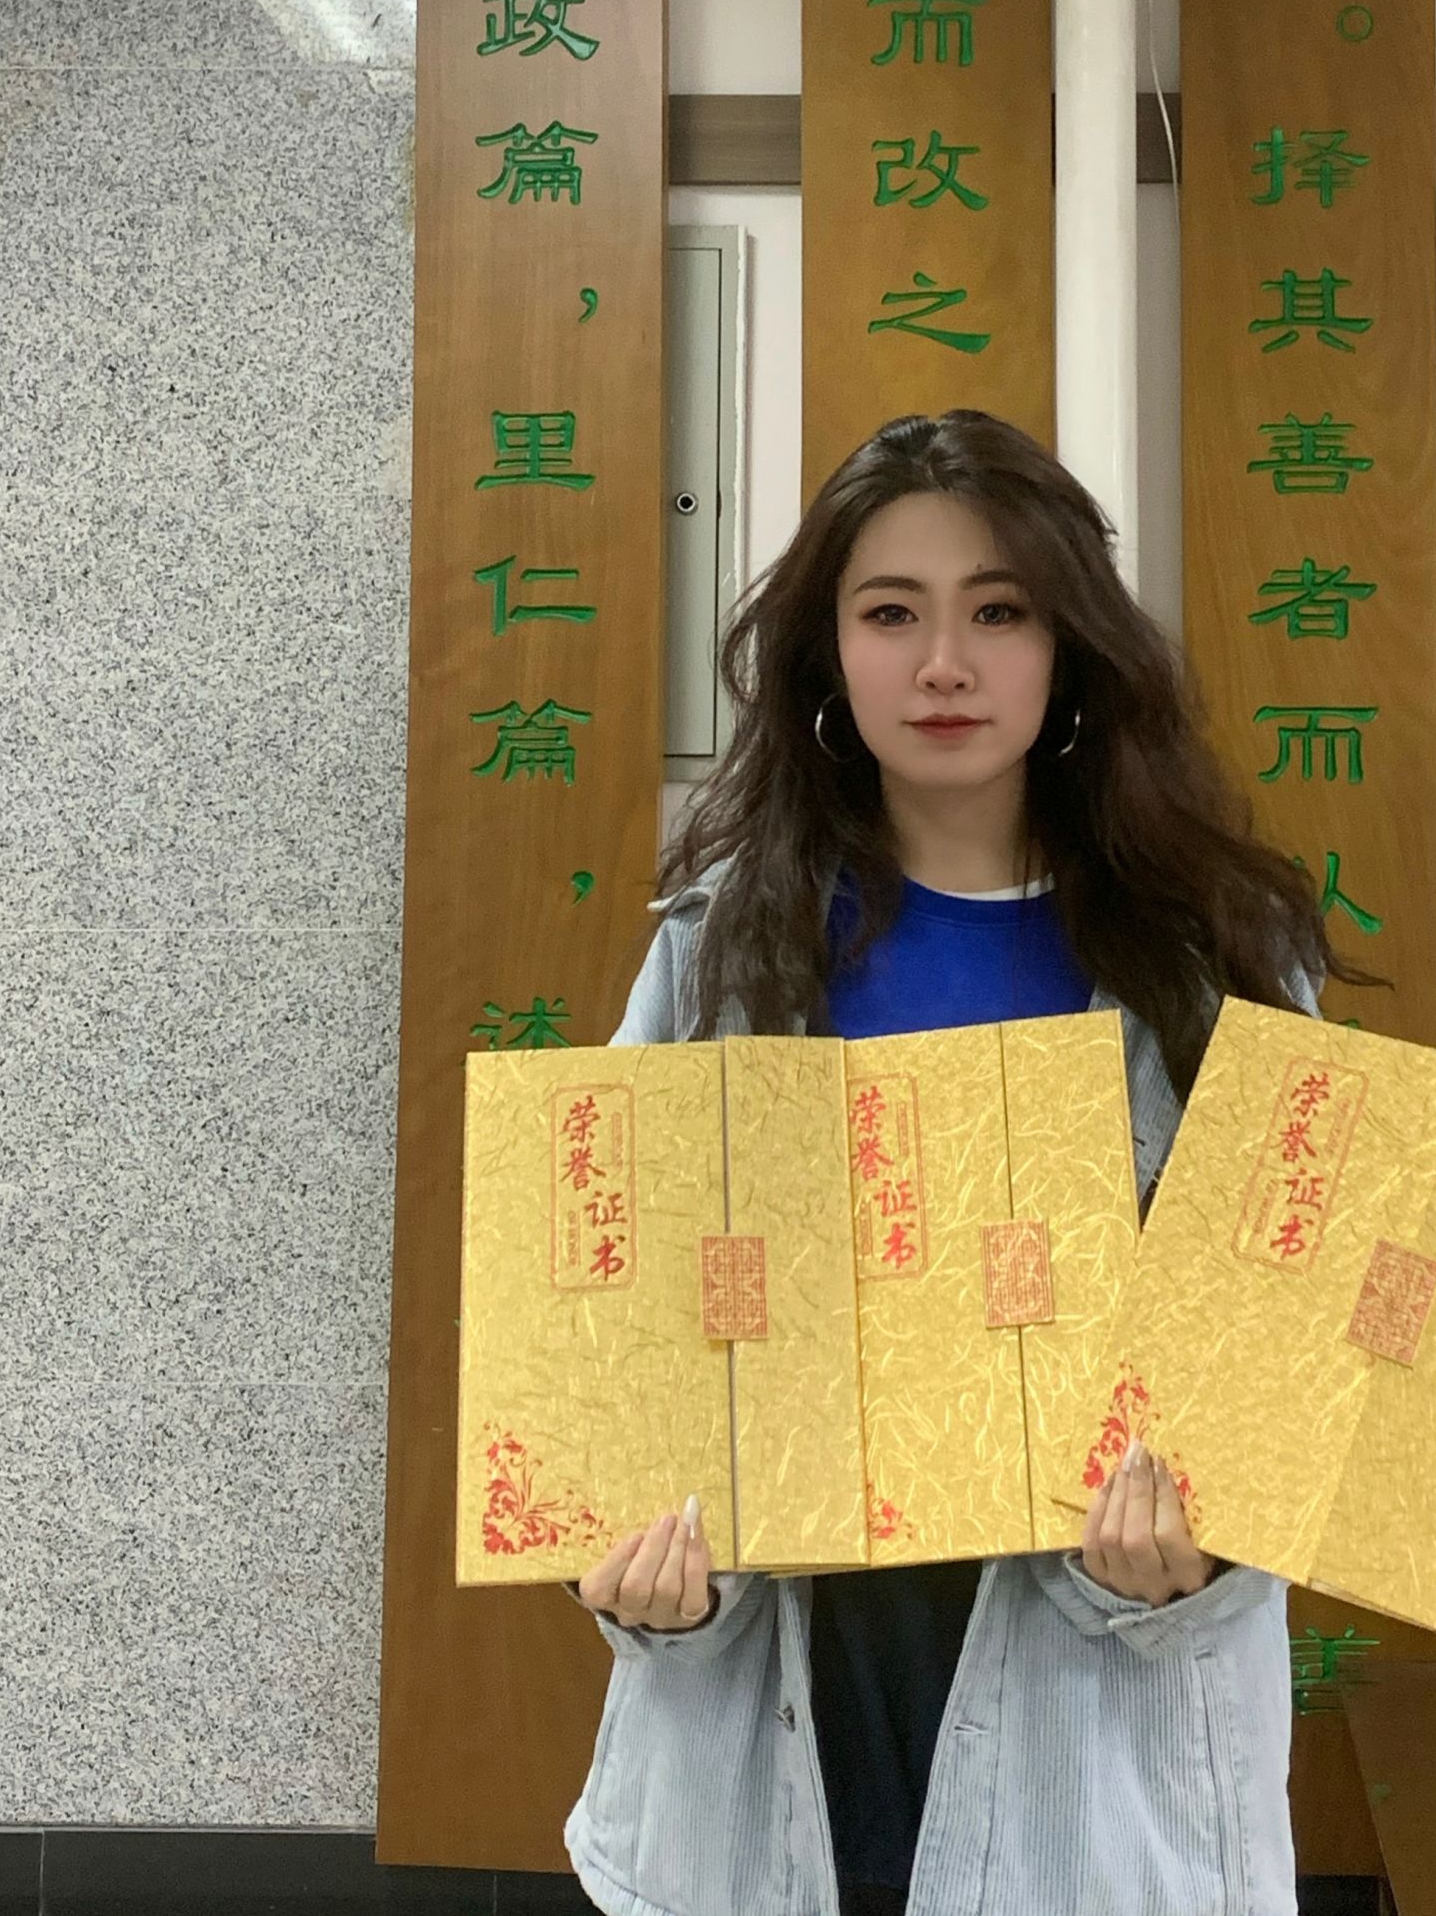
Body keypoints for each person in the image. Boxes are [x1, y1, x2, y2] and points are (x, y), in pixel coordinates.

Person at [561, 411, 1386, 1916]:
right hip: (787, 1698)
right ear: (828, 655)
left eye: (998, 612)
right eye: (893, 614)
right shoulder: (721, 951)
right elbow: (611, 1351)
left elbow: (1290, 1373)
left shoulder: (1217, 963)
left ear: (1071, 645)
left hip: (1096, 1716)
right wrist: (634, 1563)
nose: (944, 663)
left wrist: (1204, 1556)